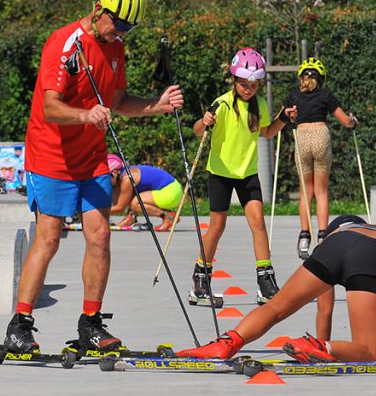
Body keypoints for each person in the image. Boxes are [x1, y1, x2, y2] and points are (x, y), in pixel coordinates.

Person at [3, 0, 184, 354]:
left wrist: (157, 105)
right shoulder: (64, 44)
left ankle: (91, 323)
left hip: (92, 159)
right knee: (49, 239)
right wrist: (85, 116)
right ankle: (19, 324)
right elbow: (51, 107)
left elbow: (118, 101)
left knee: (100, 236)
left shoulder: (115, 48)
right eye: (118, 23)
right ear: (98, 7)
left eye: (129, 27)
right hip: (51, 158)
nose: (122, 32)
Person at [176, 215, 376, 362]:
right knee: (371, 352)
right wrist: (324, 348)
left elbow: (324, 310)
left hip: (331, 249)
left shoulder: (335, 235)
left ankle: (226, 342)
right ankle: (315, 345)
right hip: (370, 252)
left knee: (275, 307)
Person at [189, 48, 295, 307]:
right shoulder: (223, 103)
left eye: (254, 85)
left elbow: (267, 133)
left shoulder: (259, 105)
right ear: (234, 80)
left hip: (247, 173)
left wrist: (282, 119)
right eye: (244, 84)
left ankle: (265, 282)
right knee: (217, 227)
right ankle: (200, 279)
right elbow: (196, 131)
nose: (249, 89)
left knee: (258, 222)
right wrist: (204, 121)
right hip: (221, 173)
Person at [282, 57, 357, 260]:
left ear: (301, 77)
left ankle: (304, 237)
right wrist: (352, 122)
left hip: (303, 137)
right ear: (321, 78)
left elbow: (282, 117)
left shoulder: (293, 95)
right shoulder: (325, 95)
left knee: (306, 191)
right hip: (321, 136)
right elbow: (344, 120)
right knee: (321, 191)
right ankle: (323, 237)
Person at [107, 154, 183, 231]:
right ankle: (130, 218)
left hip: (171, 191)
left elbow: (120, 208)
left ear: (115, 172)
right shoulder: (122, 175)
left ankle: (168, 217)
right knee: (131, 197)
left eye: (105, 177)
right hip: (173, 189)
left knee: (135, 203)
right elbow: (115, 202)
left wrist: (96, 212)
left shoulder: (127, 178)